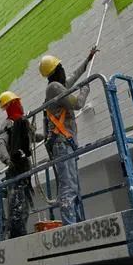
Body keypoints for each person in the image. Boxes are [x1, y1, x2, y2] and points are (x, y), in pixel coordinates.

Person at [39, 47, 97, 225]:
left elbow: (72, 77)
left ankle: (78, 224)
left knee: (74, 187)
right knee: (69, 188)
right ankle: (71, 227)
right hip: (63, 145)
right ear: (56, 70)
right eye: (60, 67)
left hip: (66, 145)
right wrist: (85, 88)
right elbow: (78, 103)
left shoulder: (56, 86)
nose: (64, 70)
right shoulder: (54, 87)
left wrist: (87, 60)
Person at [0, 91, 42, 238]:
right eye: (17, 102)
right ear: (12, 105)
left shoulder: (22, 122)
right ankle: (15, 237)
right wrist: (7, 160)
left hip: (24, 168)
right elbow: (1, 142)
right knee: (16, 207)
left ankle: (19, 235)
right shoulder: (9, 123)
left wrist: (45, 136)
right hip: (15, 169)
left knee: (23, 208)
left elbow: (31, 137)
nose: (20, 105)